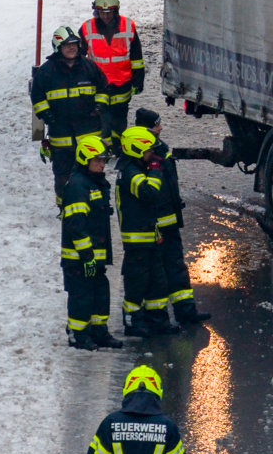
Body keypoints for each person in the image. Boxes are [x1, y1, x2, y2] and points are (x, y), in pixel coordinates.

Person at [136, 109, 209, 327]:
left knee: (176, 266)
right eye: (156, 125)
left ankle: (186, 311)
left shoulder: (161, 149)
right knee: (156, 273)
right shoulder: (141, 154)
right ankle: (155, 319)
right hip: (156, 225)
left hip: (170, 221)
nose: (160, 128)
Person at [32, 26, 110, 203]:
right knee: (63, 176)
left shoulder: (89, 66)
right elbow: (37, 97)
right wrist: (47, 115)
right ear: (58, 47)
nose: (72, 47)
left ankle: (95, 206)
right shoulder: (46, 72)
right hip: (61, 136)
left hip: (89, 133)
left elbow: (103, 88)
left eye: (74, 43)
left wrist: (99, 106)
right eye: (67, 45)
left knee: (93, 172)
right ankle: (65, 208)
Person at [60, 136, 121, 350]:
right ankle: (78, 334)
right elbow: (76, 225)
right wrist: (87, 256)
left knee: (100, 293)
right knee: (82, 297)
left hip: (94, 258)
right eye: (97, 160)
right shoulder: (78, 186)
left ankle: (99, 332)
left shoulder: (94, 183)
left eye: (103, 160)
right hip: (80, 259)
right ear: (85, 160)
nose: (102, 164)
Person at [113, 126, 173, 337]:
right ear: (137, 150)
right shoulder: (129, 173)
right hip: (137, 242)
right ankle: (133, 323)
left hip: (149, 238)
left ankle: (158, 322)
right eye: (149, 150)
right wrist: (155, 170)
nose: (152, 154)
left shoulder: (137, 168)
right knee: (136, 284)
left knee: (158, 282)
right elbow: (149, 192)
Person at [80, 0, 145, 138]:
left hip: (122, 84)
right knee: (100, 120)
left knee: (119, 120)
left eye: (109, 12)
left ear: (116, 10)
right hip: (98, 84)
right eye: (102, 12)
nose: (106, 16)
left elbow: (136, 57)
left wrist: (138, 80)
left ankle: (118, 146)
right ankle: (105, 146)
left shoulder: (128, 26)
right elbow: (80, 59)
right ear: (96, 11)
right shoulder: (86, 28)